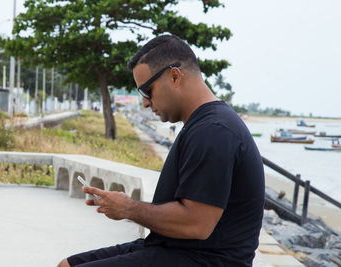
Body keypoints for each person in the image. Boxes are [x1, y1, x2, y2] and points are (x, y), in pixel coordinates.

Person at [58, 35, 265, 267]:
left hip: (206, 260)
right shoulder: (204, 125)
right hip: (174, 250)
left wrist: (128, 208)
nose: (145, 103)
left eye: (147, 91)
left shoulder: (214, 131)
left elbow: (197, 224)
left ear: (174, 76)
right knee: (66, 264)